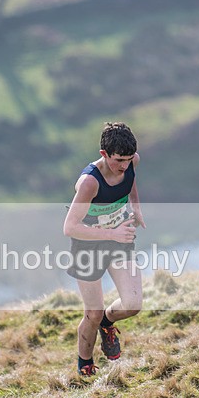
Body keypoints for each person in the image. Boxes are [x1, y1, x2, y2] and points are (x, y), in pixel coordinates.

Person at [63, 122, 145, 377]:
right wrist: (112, 233)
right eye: (118, 160)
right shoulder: (90, 183)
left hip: (119, 241)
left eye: (128, 160)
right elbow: (70, 227)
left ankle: (108, 322)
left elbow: (130, 182)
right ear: (104, 154)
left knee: (133, 304)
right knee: (93, 313)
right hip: (87, 247)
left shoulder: (131, 162)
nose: (124, 165)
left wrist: (136, 208)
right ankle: (85, 364)